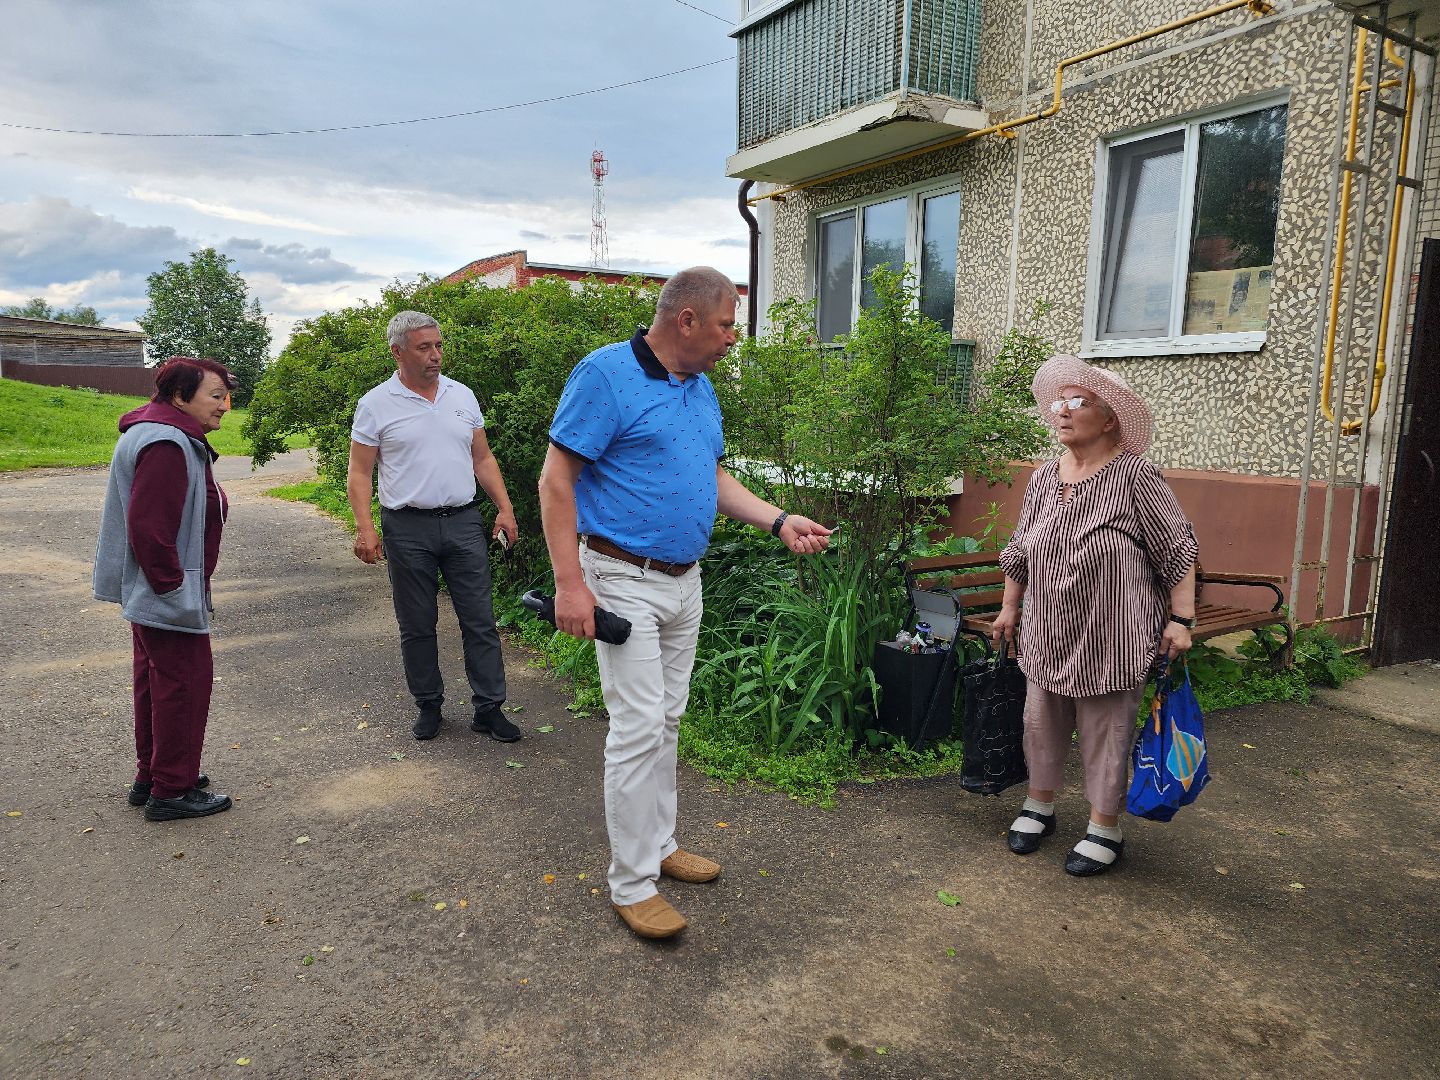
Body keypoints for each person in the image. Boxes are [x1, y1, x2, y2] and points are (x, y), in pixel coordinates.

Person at [539, 266, 833, 940]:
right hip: (620, 577)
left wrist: (777, 519)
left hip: (683, 581)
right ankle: (631, 882)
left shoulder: (698, 389)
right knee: (638, 726)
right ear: (688, 320)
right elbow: (556, 480)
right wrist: (569, 584)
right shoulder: (605, 375)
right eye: (728, 323)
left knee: (667, 721)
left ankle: (660, 846)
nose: (735, 338)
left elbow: (712, 473)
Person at [991, 354, 1198, 877]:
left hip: (1113, 633)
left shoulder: (1134, 475)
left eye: (1078, 401)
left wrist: (1182, 619)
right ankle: (1040, 805)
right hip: (1046, 629)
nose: (1062, 410)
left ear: (1109, 419)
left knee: (1107, 728)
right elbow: (1019, 549)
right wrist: (1009, 606)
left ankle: (1105, 826)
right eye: (1059, 400)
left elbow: (1178, 547)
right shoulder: (1043, 477)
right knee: (1040, 721)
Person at [348, 310, 520, 743]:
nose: (435, 355)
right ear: (398, 352)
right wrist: (365, 527)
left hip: (462, 521)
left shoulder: (462, 396)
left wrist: (504, 507)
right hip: (406, 527)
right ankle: (429, 705)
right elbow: (360, 472)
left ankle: (489, 708)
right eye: (424, 347)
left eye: (438, 345)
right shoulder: (375, 404)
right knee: (417, 623)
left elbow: (482, 458)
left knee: (479, 619)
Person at [93, 356, 238, 821]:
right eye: (216, 396)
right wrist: (172, 588)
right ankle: (172, 789)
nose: (225, 406)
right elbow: (150, 527)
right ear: (180, 397)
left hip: (151, 588)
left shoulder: (159, 432)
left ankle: (154, 773)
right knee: (184, 682)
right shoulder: (167, 442)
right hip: (164, 589)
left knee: (156, 681)